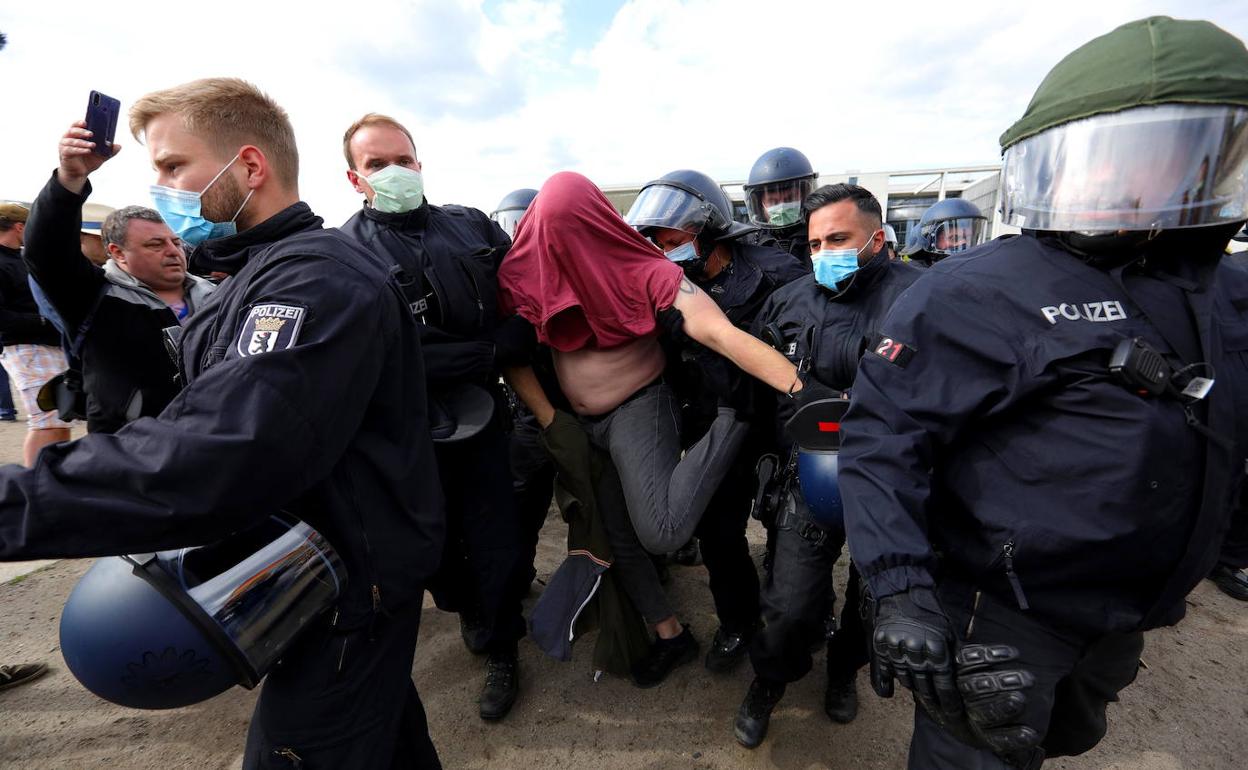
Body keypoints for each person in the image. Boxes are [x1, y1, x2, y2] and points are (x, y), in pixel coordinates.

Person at [0, 77, 445, 768]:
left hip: (349, 582)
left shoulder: (315, 279)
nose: (161, 184)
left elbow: (221, 450)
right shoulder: (249, 274)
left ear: (249, 167)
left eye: (174, 166)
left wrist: (15, 503)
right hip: (297, 567)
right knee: (383, 739)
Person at [840, 17, 1248, 769]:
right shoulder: (979, 292)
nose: (1132, 185)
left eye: (1176, 157)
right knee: (981, 748)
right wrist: (899, 589)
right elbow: (883, 437)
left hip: (1131, 609)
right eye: (1111, 161)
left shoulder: (1231, 293)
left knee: (1069, 734)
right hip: (1004, 607)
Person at [501, 171, 811, 687]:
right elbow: (513, 353)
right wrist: (553, 420)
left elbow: (716, 330)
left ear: (597, 225)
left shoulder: (640, 266)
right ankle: (670, 634)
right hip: (580, 424)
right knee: (618, 538)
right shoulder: (525, 274)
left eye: (575, 231)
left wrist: (805, 391)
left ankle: (734, 420)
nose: (564, 247)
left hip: (639, 409)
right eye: (551, 235)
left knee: (662, 529)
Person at [339, 113, 530, 721]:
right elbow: (383, 354)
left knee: (497, 536)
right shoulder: (345, 252)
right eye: (377, 164)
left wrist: (493, 347)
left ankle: (503, 645)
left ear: (419, 164)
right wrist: (486, 349)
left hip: (484, 414)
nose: (394, 171)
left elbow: (523, 301)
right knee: (434, 547)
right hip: (406, 430)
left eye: (403, 159)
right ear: (354, 178)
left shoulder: (470, 225)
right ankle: (466, 604)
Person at [732, 183, 921, 748]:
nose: (823, 254)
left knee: (871, 600)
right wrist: (765, 464)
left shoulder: (923, 299)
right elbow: (758, 394)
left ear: (878, 239)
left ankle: (844, 670)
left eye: (838, 239)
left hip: (889, 483)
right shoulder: (787, 301)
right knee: (788, 605)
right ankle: (770, 679)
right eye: (814, 244)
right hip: (806, 472)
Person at [627, 168, 808, 673]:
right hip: (714, 420)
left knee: (788, 528)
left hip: (775, 419)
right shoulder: (665, 283)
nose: (662, 248)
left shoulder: (777, 274)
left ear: (708, 232)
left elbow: (793, 355)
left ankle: (797, 620)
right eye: (653, 241)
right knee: (717, 531)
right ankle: (738, 622)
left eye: (671, 239)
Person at [24, 121, 215, 434]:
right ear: (118, 252)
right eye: (155, 244)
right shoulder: (95, 295)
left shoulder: (214, 294)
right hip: (127, 453)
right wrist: (71, 178)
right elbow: (46, 250)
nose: (172, 251)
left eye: (174, 242)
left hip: (207, 440)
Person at [0, 202, 71, 465]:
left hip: (47, 346)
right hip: (26, 348)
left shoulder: (22, 258)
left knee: (59, 419)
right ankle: (39, 484)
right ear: (20, 227)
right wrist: (46, 321)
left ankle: (51, 481)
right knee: (47, 422)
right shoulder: (4, 262)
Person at [742, 147, 819, 266]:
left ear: (804, 198)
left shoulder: (820, 235)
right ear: (760, 206)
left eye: (790, 199)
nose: (782, 207)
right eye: (773, 201)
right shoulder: (747, 244)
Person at [899, 197, 988, 267]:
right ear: (930, 241)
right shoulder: (915, 280)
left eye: (970, 239)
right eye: (954, 238)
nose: (966, 245)